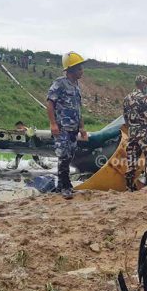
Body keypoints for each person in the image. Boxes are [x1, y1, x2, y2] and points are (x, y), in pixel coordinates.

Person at [46, 52, 87, 199]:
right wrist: (53, 124)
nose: (82, 71)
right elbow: (50, 103)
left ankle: (60, 186)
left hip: (73, 128)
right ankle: (66, 187)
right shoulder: (60, 83)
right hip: (62, 128)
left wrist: (82, 128)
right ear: (71, 69)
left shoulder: (76, 86)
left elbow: (78, 109)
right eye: (79, 68)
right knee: (63, 156)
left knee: (69, 156)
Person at [123, 75, 147, 190]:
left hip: (132, 133)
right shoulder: (144, 98)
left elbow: (125, 118)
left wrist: (131, 129)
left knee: (132, 161)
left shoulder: (127, 98)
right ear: (143, 85)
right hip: (144, 133)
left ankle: (129, 187)